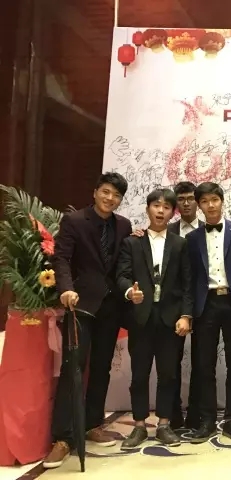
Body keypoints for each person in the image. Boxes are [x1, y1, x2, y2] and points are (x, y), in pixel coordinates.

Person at [44, 172, 132, 469]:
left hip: (111, 307)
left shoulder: (123, 225)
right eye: (106, 192)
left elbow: (123, 261)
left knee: (102, 367)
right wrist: (65, 289)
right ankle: (63, 437)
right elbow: (61, 258)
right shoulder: (75, 221)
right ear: (95, 192)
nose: (110, 199)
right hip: (80, 304)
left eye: (116, 195)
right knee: (73, 368)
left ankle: (92, 423)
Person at [116, 188, 193, 449]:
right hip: (141, 317)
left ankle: (163, 424)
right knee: (139, 374)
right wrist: (130, 292)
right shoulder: (132, 242)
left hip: (171, 319)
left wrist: (186, 315)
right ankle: (139, 425)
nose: (161, 211)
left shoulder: (180, 244)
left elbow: (187, 283)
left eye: (166, 207)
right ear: (148, 209)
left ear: (173, 213)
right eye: (156, 206)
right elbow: (122, 275)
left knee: (168, 374)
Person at [186, 182, 231, 443]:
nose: (211, 205)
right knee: (204, 365)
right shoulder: (192, 238)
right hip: (206, 305)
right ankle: (207, 420)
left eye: (214, 200)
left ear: (222, 201)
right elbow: (190, 278)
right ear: (199, 206)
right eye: (205, 201)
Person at [168, 181, 204, 430]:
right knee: (172, 361)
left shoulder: (207, 228)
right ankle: (173, 413)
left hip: (203, 302)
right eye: (181, 199)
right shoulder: (167, 230)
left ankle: (196, 413)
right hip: (173, 303)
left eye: (191, 198)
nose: (186, 203)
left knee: (201, 362)